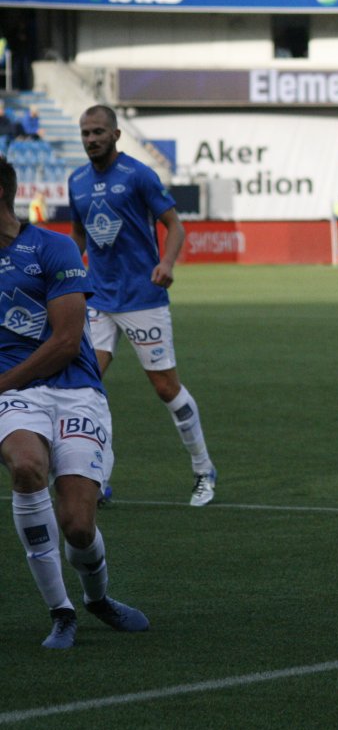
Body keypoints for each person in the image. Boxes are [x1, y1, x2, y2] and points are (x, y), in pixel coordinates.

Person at [0, 155, 150, 649]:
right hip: (18, 396)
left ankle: (96, 598)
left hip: (76, 389)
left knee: (79, 527)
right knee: (26, 467)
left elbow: (66, 342)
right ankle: (60, 611)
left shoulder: (53, 247)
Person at [68, 106, 218, 507]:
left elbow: (175, 225)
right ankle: (98, 478)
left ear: (116, 135)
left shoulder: (138, 175)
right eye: (85, 133)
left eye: (98, 132)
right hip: (99, 298)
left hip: (142, 297)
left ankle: (204, 469)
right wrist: (64, 271)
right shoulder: (76, 181)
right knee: (86, 386)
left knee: (165, 387)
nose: (91, 139)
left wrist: (166, 263)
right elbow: (79, 235)